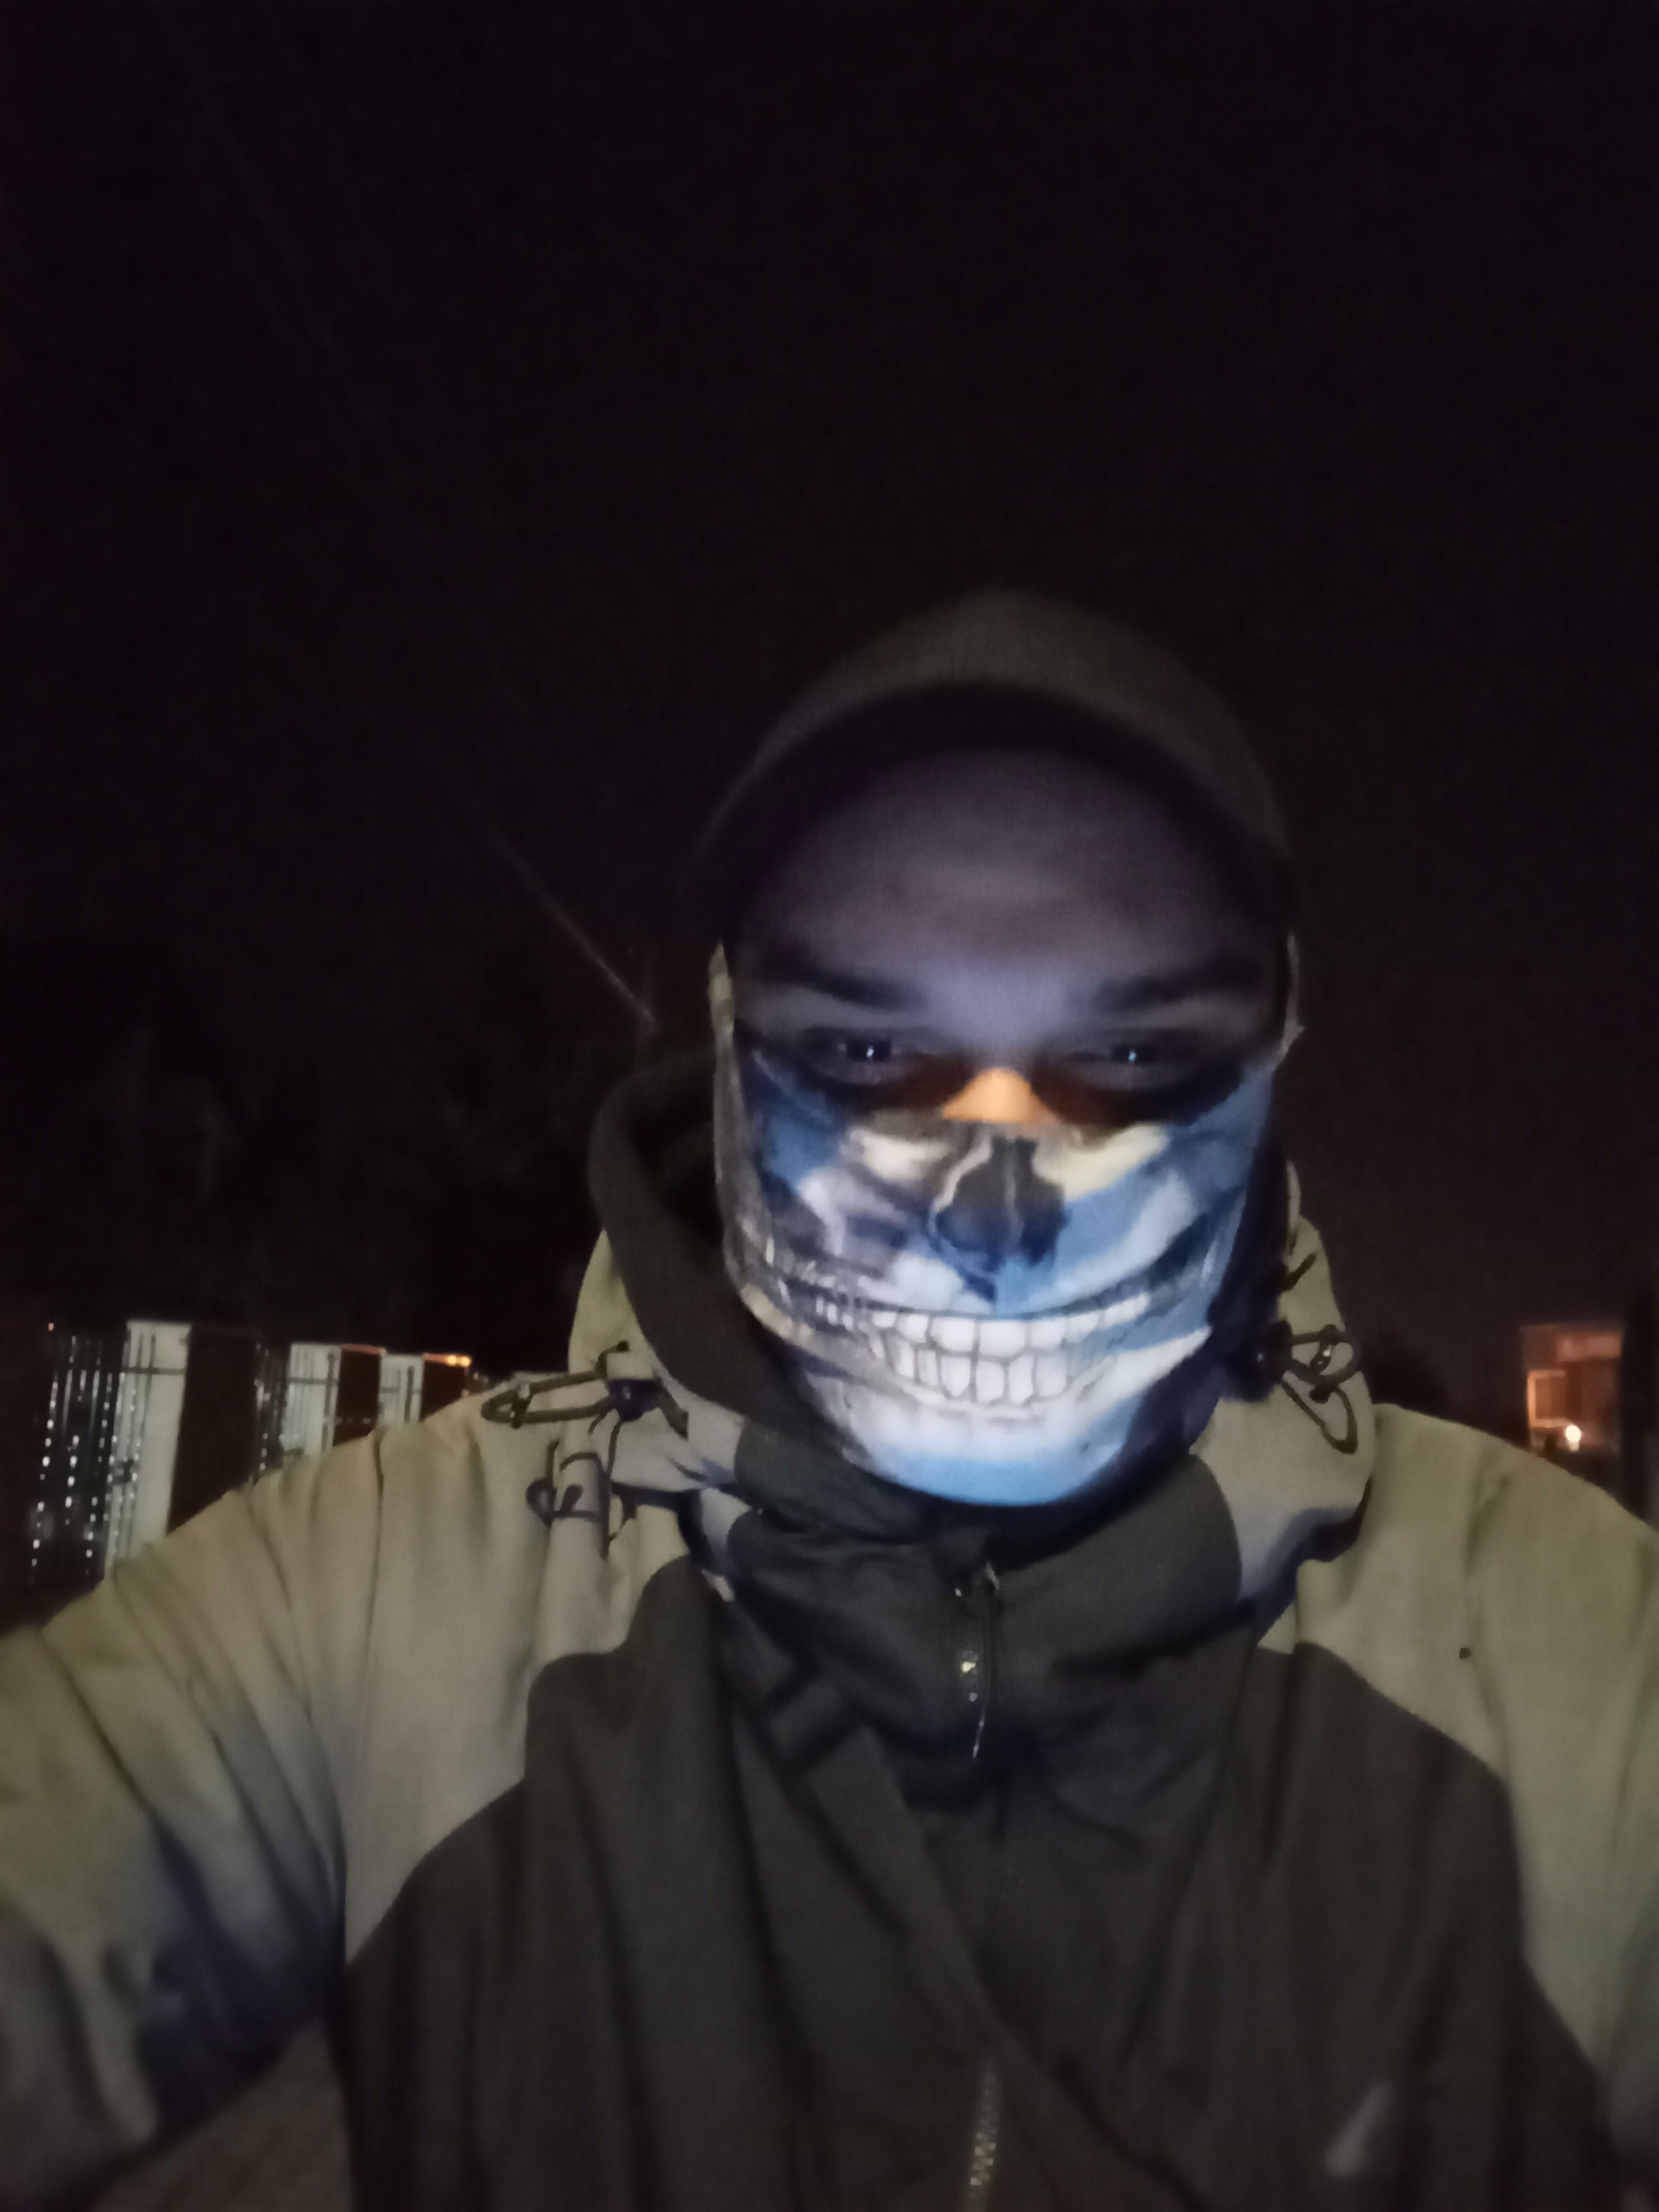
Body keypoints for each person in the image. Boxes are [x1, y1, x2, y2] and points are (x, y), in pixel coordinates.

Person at [2, 590, 1656, 2211]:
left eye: (1133, 1059)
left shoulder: (1564, 1646)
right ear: (730, 1048)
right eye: (868, 1055)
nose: (995, 1214)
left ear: (1276, 1044)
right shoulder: (380, 1602)